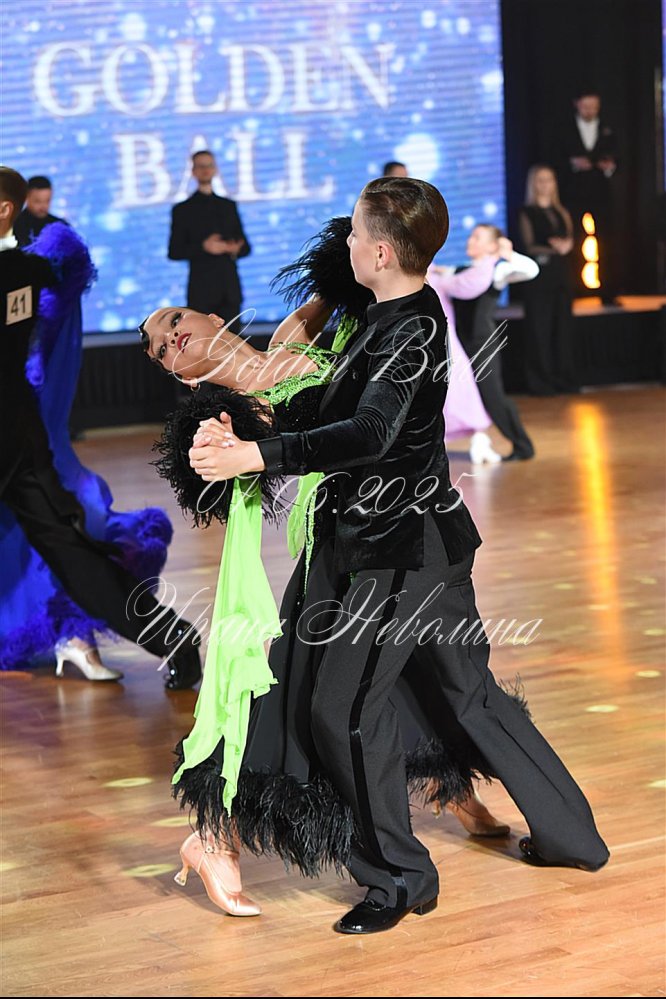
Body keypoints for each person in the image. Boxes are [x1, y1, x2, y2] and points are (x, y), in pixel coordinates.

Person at [188, 178, 609, 934]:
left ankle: (401, 880)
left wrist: (256, 455)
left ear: (381, 252)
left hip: (398, 552)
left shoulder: (407, 330)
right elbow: (337, 405)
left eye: (354, 234)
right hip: (428, 543)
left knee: (341, 709)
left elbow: (369, 433)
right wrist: (252, 428)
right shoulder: (390, 318)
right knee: (471, 696)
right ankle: (573, 836)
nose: (344, 244)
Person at [143, 217, 514, 916]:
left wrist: (373, 239)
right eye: (161, 349)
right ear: (176, 373)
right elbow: (232, 480)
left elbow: (355, 279)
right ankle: (215, 836)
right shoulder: (222, 416)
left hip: (385, 532)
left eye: (174, 321)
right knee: (290, 691)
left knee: (402, 671)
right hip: (331, 553)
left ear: (213, 317)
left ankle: (447, 786)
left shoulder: (294, 336)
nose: (170, 339)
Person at [0, 166, 200, 691]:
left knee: (70, 553)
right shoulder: (29, 271)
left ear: (4, 209)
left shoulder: (20, 270)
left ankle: (172, 639)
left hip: (15, 437)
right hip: (20, 434)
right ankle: (173, 638)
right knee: (69, 552)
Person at [453, 224, 538, 461]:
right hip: (460, 344)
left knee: (493, 398)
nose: (470, 241)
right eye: (471, 236)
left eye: (477, 237)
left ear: (492, 246)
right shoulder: (462, 270)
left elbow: (531, 270)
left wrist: (509, 254)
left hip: (483, 343)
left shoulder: (497, 271)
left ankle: (523, 446)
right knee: (466, 396)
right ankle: (481, 444)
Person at [427, 255, 502, 463]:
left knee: (458, 390)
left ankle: (479, 440)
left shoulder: (437, 278)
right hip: (427, 342)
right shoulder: (431, 279)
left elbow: (469, 284)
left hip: (443, 342)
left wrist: (489, 261)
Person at [168, 150, 251, 334]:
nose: (206, 170)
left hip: (229, 288)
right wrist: (204, 247)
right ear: (193, 171)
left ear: (215, 169)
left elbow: (245, 247)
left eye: (209, 165)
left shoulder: (228, 206)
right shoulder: (183, 210)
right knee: (203, 342)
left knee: (233, 342)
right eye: (201, 166)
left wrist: (234, 248)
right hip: (202, 291)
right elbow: (174, 251)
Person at [518, 165, 577, 395]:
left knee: (562, 328)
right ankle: (541, 381)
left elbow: (570, 237)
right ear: (533, 184)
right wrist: (554, 249)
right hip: (538, 277)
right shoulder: (527, 212)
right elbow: (528, 245)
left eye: (549, 179)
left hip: (561, 275)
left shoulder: (561, 211)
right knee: (539, 329)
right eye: (541, 180)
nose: (545, 184)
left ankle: (564, 378)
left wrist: (566, 245)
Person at [556, 89, 619, 304]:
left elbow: (619, 156)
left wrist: (609, 166)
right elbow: (555, 157)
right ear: (577, 104)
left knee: (606, 242)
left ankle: (608, 292)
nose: (590, 111)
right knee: (573, 239)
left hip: (601, 195)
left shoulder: (609, 127)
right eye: (586, 106)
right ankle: (573, 290)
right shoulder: (564, 129)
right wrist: (573, 164)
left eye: (594, 107)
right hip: (573, 194)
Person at [13, 175, 66, 247]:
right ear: (26, 197)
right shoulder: (12, 227)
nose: (43, 206)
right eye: (38, 201)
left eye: (47, 201)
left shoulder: (61, 226)